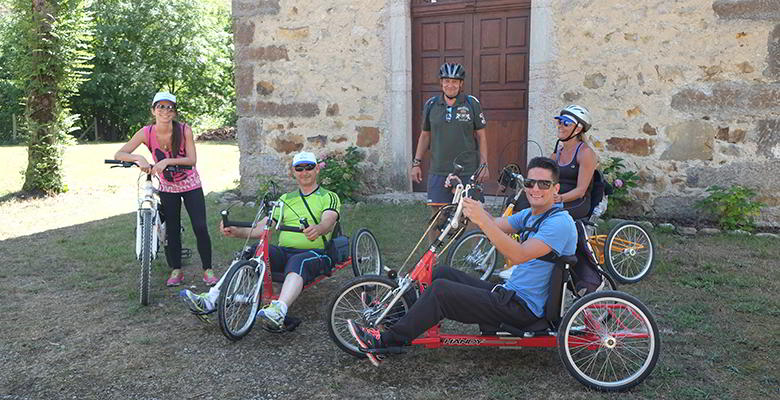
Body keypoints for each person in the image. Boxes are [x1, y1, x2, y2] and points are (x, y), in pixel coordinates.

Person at [348, 157, 577, 366]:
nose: (535, 189)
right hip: (509, 294)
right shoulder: (533, 214)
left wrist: (482, 219)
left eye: (544, 184)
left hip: (523, 310)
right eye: (530, 183)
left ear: (556, 189)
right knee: (440, 273)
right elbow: (496, 223)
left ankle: (385, 342)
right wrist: (466, 198)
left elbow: (518, 254)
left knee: (440, 291)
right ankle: (390, 318)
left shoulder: (559, 223)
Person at [180, 151, 341, 331]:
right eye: (299, 168)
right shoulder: (286, 199)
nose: (304, 172)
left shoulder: (328, 196)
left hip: (316, 253)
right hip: (285, 252)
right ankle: (211, 299)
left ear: (317, 169)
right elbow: (262, 227)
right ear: (293, 172)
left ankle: (279, 310)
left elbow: (329, 220)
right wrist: (237, 231)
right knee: (252, 250)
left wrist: (318, 229)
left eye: (309, 167)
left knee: (298, 261)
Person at [114, 92, 215, 287]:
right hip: (168, 187)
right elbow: (120, 153)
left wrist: (167, 161)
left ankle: (208, 270)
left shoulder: (184, 130)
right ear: (153, 110)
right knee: (172, 229)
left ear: (175, 112)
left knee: (200, 226)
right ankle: (176, 270)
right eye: (161, 106)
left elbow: (192, 160)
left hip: (190, 184)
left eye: (170, 107)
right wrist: (138, 158)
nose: (165, 111)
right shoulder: (146, 132)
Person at [410, 62, 489, 211]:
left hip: (467, 170)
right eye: (447, 81)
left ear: (461, 84)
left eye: (454, 81)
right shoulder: (431, 105)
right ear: (441, 83)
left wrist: (484, 165)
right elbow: (425, 135)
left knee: (471, 214)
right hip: (438, 170)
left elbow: (481, 136)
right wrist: (416, 164)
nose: (450, 85)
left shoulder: (471, 103)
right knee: (438, 216)